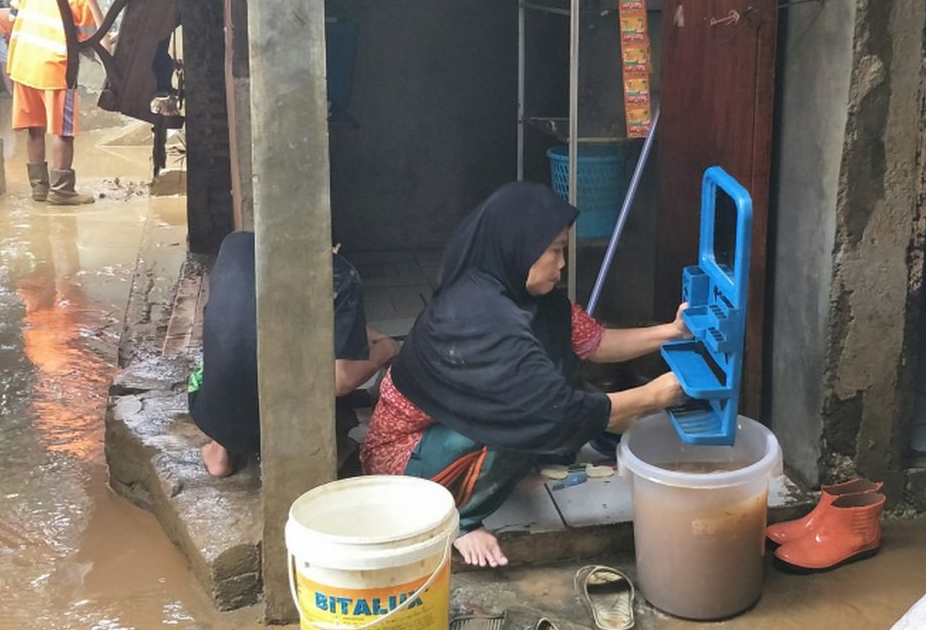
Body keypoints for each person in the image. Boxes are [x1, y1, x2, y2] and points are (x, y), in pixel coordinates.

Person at [361, 182, 690, 567]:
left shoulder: (527, 296)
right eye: (554, 251)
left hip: (446, 430)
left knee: (549, 394)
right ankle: (460, 522)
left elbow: (595, 342)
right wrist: (654, 395)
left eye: (562, 249)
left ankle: (482, 477)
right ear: (518, 247)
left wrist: (672, 331)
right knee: (528, 416)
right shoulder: (476, 315)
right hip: (400, 461)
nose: (562, 263)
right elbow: (546, 411)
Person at [188, 232, 400, 478]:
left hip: (210, 414)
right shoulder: (339, 275)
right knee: (314, 379)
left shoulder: (237, 246)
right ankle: (313, 458)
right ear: (333, 249)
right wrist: (387, 347)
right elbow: (341, 381)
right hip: (280, 433)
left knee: (232, 352)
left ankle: (220, 450)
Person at [5, 0, 100, 205]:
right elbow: (89, 39)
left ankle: (38, 188)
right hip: (56, 68)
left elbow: (13, 18)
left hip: (23, 64)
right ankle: (62, 191)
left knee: (35, 128)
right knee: (62, 131)